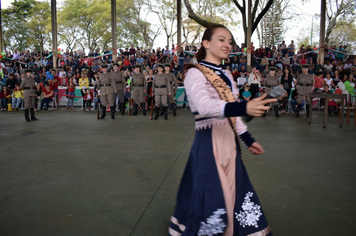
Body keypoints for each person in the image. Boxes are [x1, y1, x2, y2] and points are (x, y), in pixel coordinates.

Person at [169, 24, 274, 236]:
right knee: (211, 192)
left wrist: (247, 138)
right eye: (221, 39)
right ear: (206, 43)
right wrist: (244, 106)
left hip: (230, 143)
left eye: (229, 40)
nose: (227, 44)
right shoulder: (194, 74)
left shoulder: (226, 74)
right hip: (208, 144)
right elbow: (204, 107)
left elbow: (233, 114)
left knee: (237, 189)